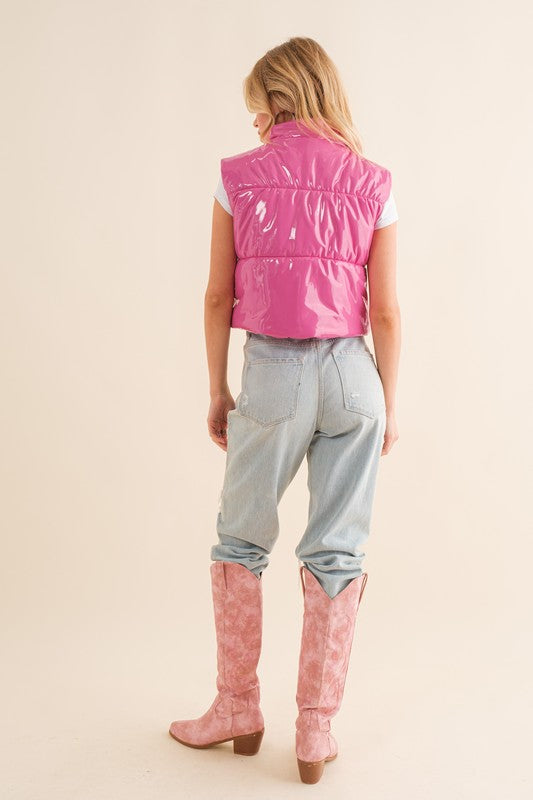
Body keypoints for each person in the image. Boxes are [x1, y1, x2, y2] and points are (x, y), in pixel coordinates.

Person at [169, 36, 400, 785]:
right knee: (338, 552)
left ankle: (237, 707)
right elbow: (386, 312)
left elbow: (216, 295)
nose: (255, 126)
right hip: (354, 375)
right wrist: (387, 404)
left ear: (277, 101)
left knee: (240, 542)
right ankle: (315, 731)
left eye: (257, 111)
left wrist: (217, 389)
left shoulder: (237, 177)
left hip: (272, 371)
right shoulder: (373, 181)